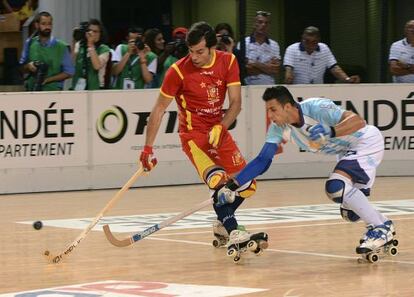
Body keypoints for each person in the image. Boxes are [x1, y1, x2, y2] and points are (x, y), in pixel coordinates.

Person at [215, 85, 396, 255]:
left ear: (287, 107)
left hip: (365, 142)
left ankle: (380, 228)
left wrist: (330, 131)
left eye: (273, 109)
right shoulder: (278, 128)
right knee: (351, 213)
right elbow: (263, 160)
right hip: (346, 152)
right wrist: (232, 185)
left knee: (335, 187)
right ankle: (381, 224)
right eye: (268, 110)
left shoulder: (316, 107)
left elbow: (358, 122)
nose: (270, 115)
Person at [139, 21, 263, 252]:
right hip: (193, 137)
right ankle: (234, 230)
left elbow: (236, 103)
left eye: (200, 52)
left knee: (248, 184)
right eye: (190, 51)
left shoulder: (229, 61)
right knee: (218, 181)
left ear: (212, 47)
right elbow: (158, 110)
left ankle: (221, 222)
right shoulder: (177, 71)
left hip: (219, 132)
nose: (194, 57)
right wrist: (147, 148)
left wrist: (222, 126)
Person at [284, 26, 360, 84]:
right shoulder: (292, 49)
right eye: (307, 41)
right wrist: (288, 76)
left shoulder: (324, 48)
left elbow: (334, 68)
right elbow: (289, 68)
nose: (309, 45)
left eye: (313, 42)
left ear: (318, 41)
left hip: (318, 89)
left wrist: (347, 79)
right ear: (302, 38)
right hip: (298, 89)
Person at [19, 11, 74, 91]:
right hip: (32, 90)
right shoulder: (30, 43)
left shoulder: (62, 46)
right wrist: (28, 66)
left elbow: (69, 72)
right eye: (44, 24)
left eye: (49, 24)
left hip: (53, 92)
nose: (47, 27)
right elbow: (21, 67)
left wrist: (48, 80)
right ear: (37, 25)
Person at [240, 10, 281, 85]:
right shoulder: (243, 43)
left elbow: (275, 70)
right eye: (260, 22)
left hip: (269, 88)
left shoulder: (274, 45)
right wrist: (267, 68)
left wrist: (254, 63)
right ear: (254, 24)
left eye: (266, 23)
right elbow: (245, 69)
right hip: (249, 88)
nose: (263, 25)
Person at [71, 19, 111, 90]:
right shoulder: (80, 45)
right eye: (89, 30)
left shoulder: (104, 49)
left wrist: (90, 44)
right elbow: (71, 63)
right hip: (78, 88)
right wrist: (74, 40)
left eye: (95, 31)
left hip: (96, 88)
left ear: (100, 34)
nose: (91, 33)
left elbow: (97, 66)